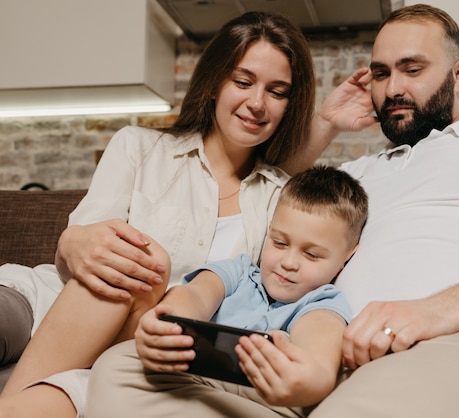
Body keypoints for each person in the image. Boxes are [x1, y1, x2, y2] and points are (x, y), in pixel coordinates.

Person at [87, 3, 459, 417]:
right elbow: (263, 185)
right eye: (380, 72)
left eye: (412, 69)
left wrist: (428, 313)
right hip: (319, 370)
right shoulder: (354, 176)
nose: (392, 88)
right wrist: (326, 123)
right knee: (126, 369)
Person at [0, 10, 374, 418]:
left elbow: (306, 214)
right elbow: (80, 245)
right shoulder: (138, 147)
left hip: (141, 342)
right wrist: (74, 241)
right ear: (215, 82)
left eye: (278, 92)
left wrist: (324, 123)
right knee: (128, 264)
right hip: (48, 299)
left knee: (146, 272)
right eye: (243, 82)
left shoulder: (277, 198)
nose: (256, 103)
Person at [83, 165, 368, 417]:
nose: (288, 262)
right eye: (280, 243)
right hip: (199, 384)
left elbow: (319, 352)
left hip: (264, 396)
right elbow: (196, 294)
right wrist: (166, 324)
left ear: (347, 256)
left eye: (312, 255)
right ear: (269, 231)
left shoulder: (320, 302)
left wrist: (307, 381)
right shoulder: (240, 272)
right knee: (116, 364)